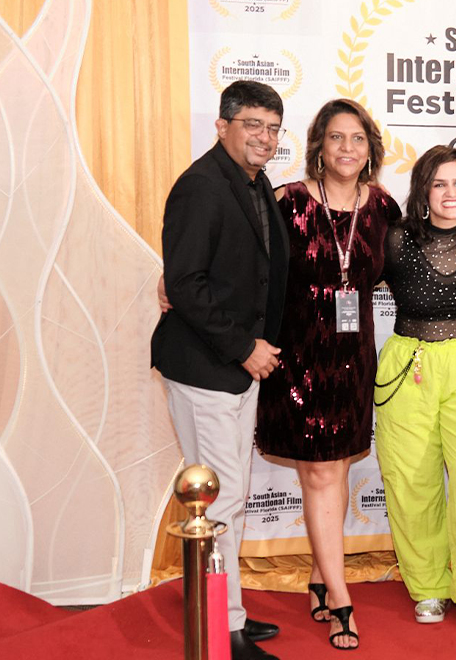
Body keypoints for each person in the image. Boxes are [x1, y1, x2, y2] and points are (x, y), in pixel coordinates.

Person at [254, 98, 400, 650]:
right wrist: (175, 278)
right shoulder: (287, 202)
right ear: (319, 144)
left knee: (335, 472)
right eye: (336, 137)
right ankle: (340, 598)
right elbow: (246, 263)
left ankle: (319, 574)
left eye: (357, 138)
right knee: (319, 475)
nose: (347, 148)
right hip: (297, 359)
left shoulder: (383, 207)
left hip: (353, 361)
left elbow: (413, 268)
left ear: (370, 149)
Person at [151, 80, 288, 660]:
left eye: (273, 128)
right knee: (217, 503)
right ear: (222, 125)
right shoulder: (201, 185)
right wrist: (243, 347)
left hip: (236, 368)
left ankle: (228, 614)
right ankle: (218, 628)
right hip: (207, 367)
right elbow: (185, 283)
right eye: (253, 124)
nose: (264, 137)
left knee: (228, 498)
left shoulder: (256, 184)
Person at [374, 146, 456, 636]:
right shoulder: (395, 238)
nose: (451, 193)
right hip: (407, 366)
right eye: (440, 184)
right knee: (412, 481)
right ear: (423, 192)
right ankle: (428, 584)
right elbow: (343, 275)